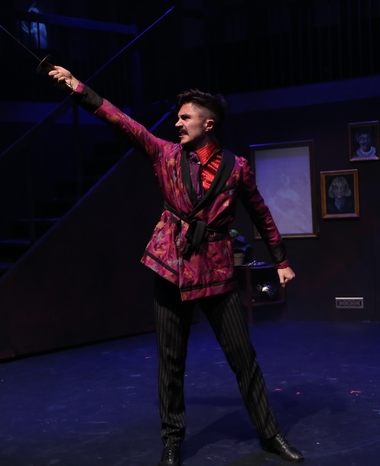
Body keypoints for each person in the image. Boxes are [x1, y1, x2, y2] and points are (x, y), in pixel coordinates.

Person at [47, 65, 304, 465]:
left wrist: (280, 260)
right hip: (171, 264)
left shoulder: (236, 167)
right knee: (170, 361)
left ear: (208, 123)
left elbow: (260, 212)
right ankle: (172, 441)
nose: (177, 123)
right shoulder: (166, 154)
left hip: (216, 269)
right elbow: (123, 123)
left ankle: (269, 433)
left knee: (243, 357)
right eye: (178, 117)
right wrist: (78, 88)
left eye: (185, 117)